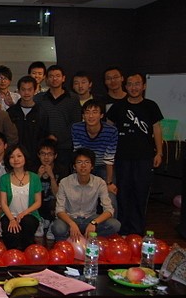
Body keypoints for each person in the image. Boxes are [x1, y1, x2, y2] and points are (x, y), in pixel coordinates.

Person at [107, 73, 163, 235]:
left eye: (137, 84)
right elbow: (109, 128)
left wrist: (159, 152)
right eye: (130, 84)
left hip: (145, 158)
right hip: (122, 158)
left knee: (140, 193)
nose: (134, 87)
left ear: (144, 86)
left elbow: (157, 129)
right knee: (123, 193)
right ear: (125, 87)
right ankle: (123, 229)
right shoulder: (118, 106)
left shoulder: (151, 106)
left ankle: (137, 230)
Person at [51, 148, 120, 241]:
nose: (83, 165)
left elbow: (109, 210)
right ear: (74, 166)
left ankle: (90, 239)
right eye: (79, 162)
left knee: (115, 225)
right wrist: (71, 223)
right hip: (71, 218)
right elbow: (59, 210)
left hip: (90, 218)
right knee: (58, 227)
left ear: (92, 166)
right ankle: (71, 242)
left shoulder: (100, 183)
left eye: (87, 162)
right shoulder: (65, 182)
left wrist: (94, 223)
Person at [34, 65, 82, 166]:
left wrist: (57, 137)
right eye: (51, 76)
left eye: (57, 76)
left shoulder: (73, 98)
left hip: (66, 147)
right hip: (44, 148)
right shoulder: (39, 99)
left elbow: (76, 122)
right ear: (46, 79)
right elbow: (36, 122)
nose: (54, 79)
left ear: (63, 78)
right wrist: (48, 137)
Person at [0, 145, 42, 250]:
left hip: (29, 215)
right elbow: (3, 203)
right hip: (9, 215)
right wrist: (12, 219)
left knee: (27, 224)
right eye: (12, 157)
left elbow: (38, 202)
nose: (16, 159)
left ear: (25, 157)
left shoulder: (35, 177)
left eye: (19, 156)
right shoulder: (4, 179)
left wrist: (24, 213)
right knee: (12, 241)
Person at [7, 75, 49, 170]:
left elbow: (44, 137)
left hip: (35, 159)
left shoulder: (42, 113)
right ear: (18, 91)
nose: (26, 93)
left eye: (29, 89)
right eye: (23, 89)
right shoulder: (11, 112)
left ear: (35, 90)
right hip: (14, 158)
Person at [35, 139, 69, 240]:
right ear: (38, 155)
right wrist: (38, 176)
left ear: (55, 156)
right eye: (43, 154)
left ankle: (52, 224)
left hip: (53, 204)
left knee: (55, 202)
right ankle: (40, 221)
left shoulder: (62, 170)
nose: (46, 157)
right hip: (38, 203)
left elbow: (58, 195)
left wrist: (52, 177)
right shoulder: (33, 168)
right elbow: (28, 193)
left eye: (50, 154)